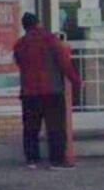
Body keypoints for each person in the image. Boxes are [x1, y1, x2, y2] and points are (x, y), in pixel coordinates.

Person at [14, 12, 82, 170]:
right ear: (39, 23)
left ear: (25, 27)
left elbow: (20, 64)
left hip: (29, 92)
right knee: (55, 127)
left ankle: (32, 159)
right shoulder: (51, 40)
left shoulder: (20, 44)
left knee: (31, 127)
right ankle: (56, 161)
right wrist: (76, 82)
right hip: (52, 90)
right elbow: (65, 63)